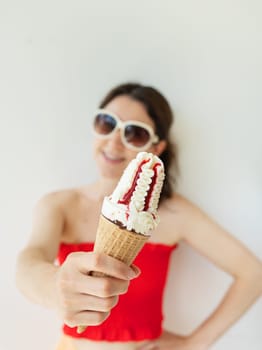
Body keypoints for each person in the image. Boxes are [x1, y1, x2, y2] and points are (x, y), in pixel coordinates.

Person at [16, 82, 262, 350]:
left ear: (156, 149)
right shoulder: (59, 205)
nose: (113, 142)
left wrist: (193, 344)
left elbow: (253, 273)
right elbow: (28, 265)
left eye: (134, 134)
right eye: (106, 123)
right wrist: (53, 286)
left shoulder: (175, 213)